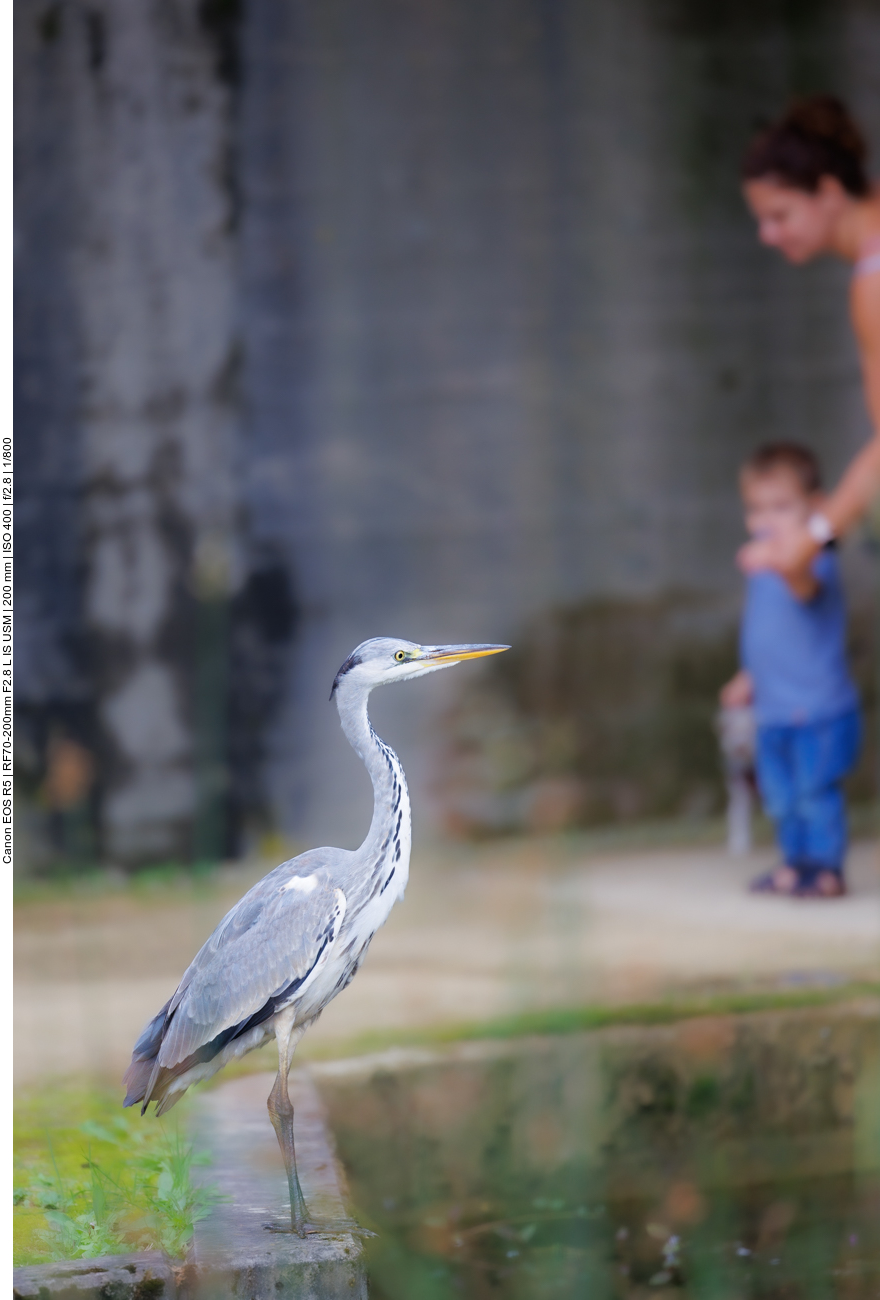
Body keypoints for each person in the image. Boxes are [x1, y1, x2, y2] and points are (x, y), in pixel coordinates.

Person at [740, 96, 880, 581]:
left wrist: (815, 534)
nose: (767, 235)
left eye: (781, 216)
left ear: (829, 192)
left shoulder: (873, 283)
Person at [720, 443, 861, 898]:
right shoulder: (762, 569)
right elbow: (767, 635)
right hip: (774, 709)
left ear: (816, 509)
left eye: (781, 508)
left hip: (817, 709)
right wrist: (749, 677)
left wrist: (781, 561)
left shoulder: (811, 559)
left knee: (814, 793)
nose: (767, 521)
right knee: (780, 798)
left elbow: (803, 588)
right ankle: (794, 862)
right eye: (757, 509)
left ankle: (825, 868)